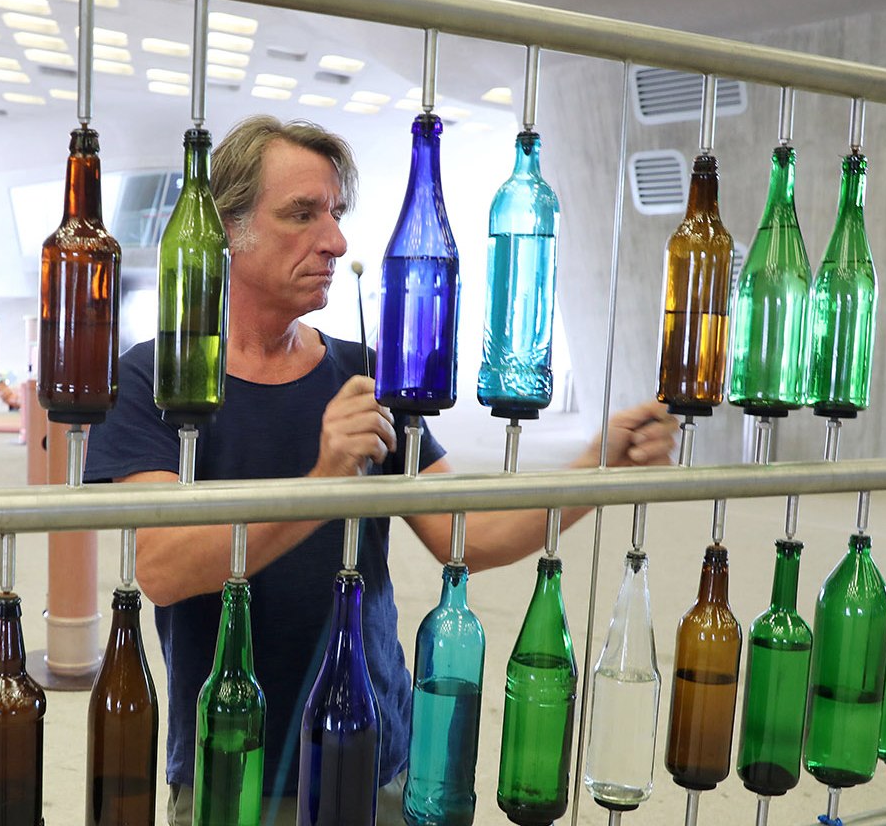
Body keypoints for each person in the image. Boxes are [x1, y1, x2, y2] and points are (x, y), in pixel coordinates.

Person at [84, 115, 678, 826]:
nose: (333, 240)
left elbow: (467, 537)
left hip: (374, 753)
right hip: (234, 763)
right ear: (225, 231)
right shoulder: (153, 378)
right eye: (302, 214)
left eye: (334, 214)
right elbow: (162, 567)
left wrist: (597, 463)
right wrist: (324, 481)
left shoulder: (361, 373)